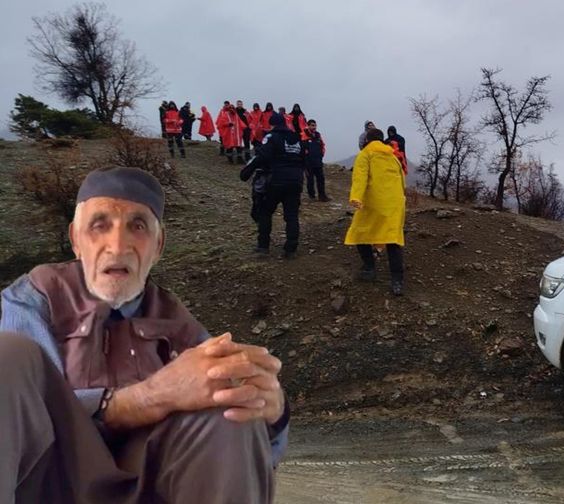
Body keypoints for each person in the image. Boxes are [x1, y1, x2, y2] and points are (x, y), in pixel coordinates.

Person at [0, 166, 288, 503]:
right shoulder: (35, 296)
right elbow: (24, 413)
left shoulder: (179, 323)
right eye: (99, 225)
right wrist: (147, 397)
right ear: (75, 240)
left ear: (159, 245)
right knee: (8, 355)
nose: (118, 245)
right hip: (47, 484)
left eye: (137, 226)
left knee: (224, 404)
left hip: (146, 487)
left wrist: (271, 409)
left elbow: (251, 443)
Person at [345, 128, 406, 296]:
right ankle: (397, 282)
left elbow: (360, 178)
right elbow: (402, 179)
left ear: (367, 140)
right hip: (394, 204)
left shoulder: (365, 154)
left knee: (360, 234)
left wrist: (356, 198)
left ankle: (370, 268)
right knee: (392, 239)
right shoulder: (392, 155)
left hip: (374, 203)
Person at [254, 112, 306, 257]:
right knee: (291, 215)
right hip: (295, 181)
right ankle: (291, 249)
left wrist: (247, 172)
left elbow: (262, 155)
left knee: (265, 211)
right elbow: (303, 158)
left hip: (275, 180)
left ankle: (263, 246)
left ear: (272, 124)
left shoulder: (271, 137)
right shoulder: (296, 138)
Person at [303, 119, 328, 201]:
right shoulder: (303, 135)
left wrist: (321, 154)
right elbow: (302, 147)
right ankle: (312, 196)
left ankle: (322, 196)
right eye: (312, 125)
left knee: (321, 179)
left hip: (318, 161)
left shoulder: (318, 135)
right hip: (308, 162)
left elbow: (322, 145)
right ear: (308, 125)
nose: (314, 127)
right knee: (310, 180)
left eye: (315, 125)